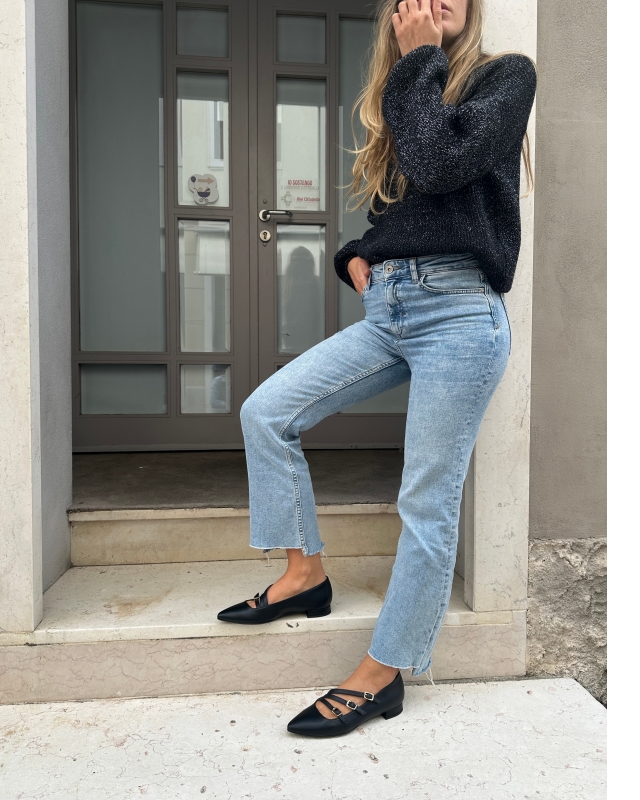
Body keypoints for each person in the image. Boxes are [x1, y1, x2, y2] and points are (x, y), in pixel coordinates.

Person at [217, 0, 536, 738]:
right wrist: (358, 254)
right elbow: (405, 206)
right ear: (396, 11)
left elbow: (442, 164)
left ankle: (385, 669)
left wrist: (419, 61)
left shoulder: (506, 78)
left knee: (426, 501)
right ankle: (305, 574)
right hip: (391, 309)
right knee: (267, 412)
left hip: (460, 316)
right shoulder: (404, 92)